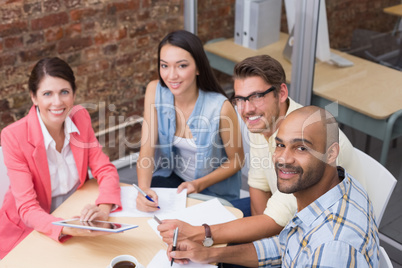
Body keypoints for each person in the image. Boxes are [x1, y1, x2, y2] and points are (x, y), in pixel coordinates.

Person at [157, 55, 363, 247]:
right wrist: (257, 237)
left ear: (281, 93)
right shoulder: (264, 122)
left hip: (320, 230)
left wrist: (202, 234)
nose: (246, 110)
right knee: (203, 226)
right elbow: (258, 185)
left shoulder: (307, 135)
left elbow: (278, 218)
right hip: (280, 211)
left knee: (208, 244)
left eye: (256, 96)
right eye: (239, 99)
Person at [167, 106, 379, 267]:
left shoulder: (332, 249)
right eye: (280, 145)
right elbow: (289, 245)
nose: (284, 159)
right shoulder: (338, 187)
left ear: (331, 154)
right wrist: (209, 254)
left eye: (301, 148)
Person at [0, 57, 122, 259]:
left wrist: (103, 209)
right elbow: (28, 209)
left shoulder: (80, 118)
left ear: (73, 94)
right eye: (47, 94)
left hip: (74, 214)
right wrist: (68, 228)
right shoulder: (13, 136)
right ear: (34, 97)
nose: (57, 102)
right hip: (29, 229)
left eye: (64, 92)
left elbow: (105, 169)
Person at [136, 30, 244, 212]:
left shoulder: (220, 107)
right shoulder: (155, 91)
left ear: (199, 68)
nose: (171, 76)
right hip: (175, 180)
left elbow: (237, 160)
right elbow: (146, 150)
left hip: (210, 190)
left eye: (181, 66)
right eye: (164, 66)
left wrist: (198, 184)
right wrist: (143, 190)